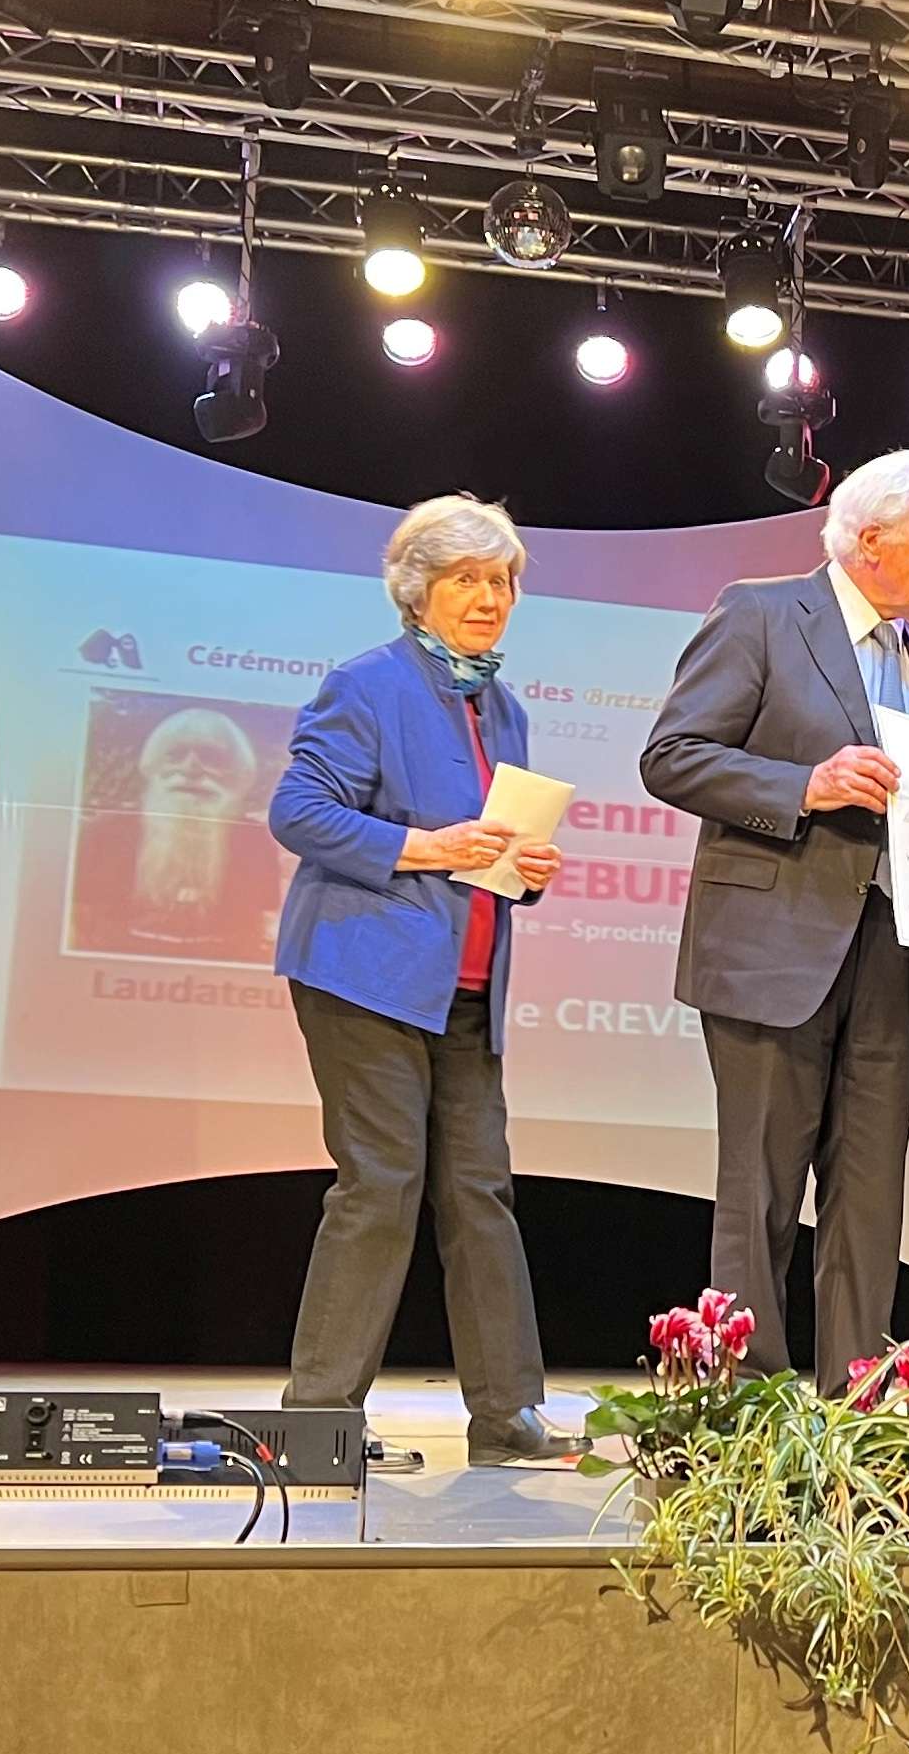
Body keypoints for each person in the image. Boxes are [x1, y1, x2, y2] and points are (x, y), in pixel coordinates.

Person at [641, 450, 909, 1391]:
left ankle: (858, 1402)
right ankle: (748, 1407)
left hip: (893, 957)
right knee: (762, 1192)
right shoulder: (761, 614)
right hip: (771, 951)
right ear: (869, 539)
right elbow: (672, 755)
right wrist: (803, 785)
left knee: (869, 1194)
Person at [270, 494, 581, 1468]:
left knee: (480, 1190)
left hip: (466, 988)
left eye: (502, 581)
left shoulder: (505, 707)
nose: (489, 598)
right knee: (381, 1184)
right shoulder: (366, 684)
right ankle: (318, 1419)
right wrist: (427, 846)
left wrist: (524, 870)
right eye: (466, 580)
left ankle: (507, 1414)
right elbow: (298, 811)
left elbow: (489, 848)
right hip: (364, 973)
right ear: (417, 592)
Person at [71, 704, 285, 963]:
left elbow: (258, 927)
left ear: (237, 771)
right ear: (153, 765)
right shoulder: (107, 833)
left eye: (210, 758)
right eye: (175, 756)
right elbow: (79, 923)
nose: (191, 769)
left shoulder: (254, 842)